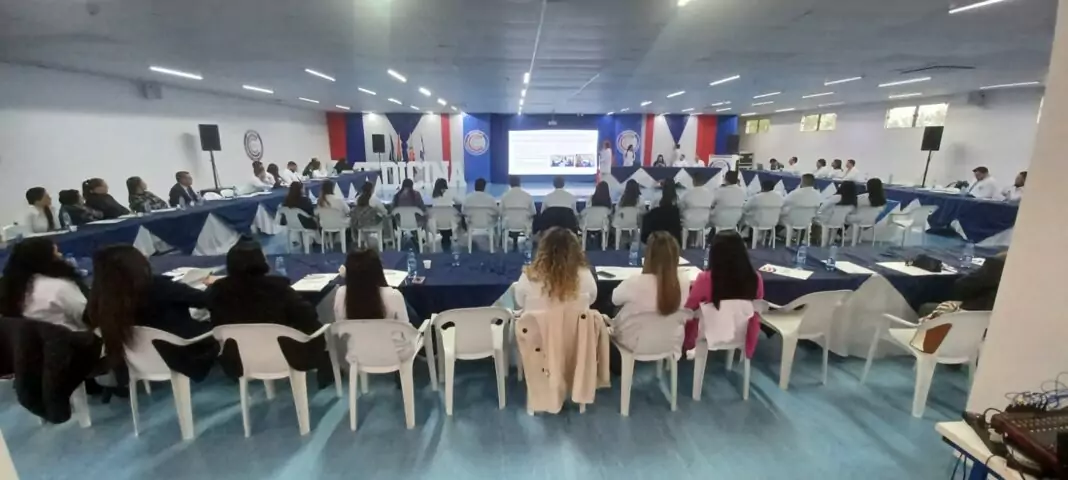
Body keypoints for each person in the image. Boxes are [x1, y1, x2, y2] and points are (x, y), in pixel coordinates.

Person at [86, 245, 212, 367]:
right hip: (182, 352)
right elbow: (205, 300)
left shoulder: (99, 300)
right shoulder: (156, 287)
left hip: (136, 360)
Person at [205, 241, 323, 335]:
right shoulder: (278, 289)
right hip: (283, 354)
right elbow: (308, 316)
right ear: (261, 261)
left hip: (235, 357)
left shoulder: (218, 290)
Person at [682, 231, 765, 353]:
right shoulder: (755, 278)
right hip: (742, 332)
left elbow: (690, 308)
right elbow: (757, 306)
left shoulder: (705, 279)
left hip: (708, 332)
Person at [0, 238, 88, 331]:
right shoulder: (59, 287)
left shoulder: (9, 290)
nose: (61, 255)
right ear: (46, 259)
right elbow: (87, 317)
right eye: (56, 253)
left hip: (25, 343)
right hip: (71, 341)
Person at [611, 231, 689, 321]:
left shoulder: (635, 283)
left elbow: (615, 299)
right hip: (673, 334)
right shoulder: (683, 282)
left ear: (648, 255)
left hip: (634, 333)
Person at [514, 227, 597, 311]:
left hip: (537, 324)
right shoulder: (585, 274)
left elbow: (520, 301)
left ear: (542, 249)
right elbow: (592, 299)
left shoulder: (529, 276)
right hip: (575, 324)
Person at [333, 249, 409, 322]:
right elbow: (406, 330)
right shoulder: (393, 296)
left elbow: (340, 326)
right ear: (378, 271)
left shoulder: (341, 294)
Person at [641, 181, 682, 245]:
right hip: (673, 231)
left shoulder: (656, 197)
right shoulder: (678, 200)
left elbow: (651, 209)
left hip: (657, 228)